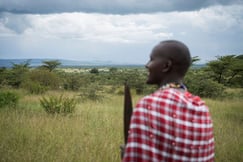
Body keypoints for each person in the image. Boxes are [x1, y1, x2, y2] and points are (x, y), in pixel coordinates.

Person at [122, 40, 214, 162]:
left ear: (166, 66)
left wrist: (126, 155)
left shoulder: (149, 104)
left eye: (152, 59)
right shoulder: (201, 108)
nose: (147, 65)